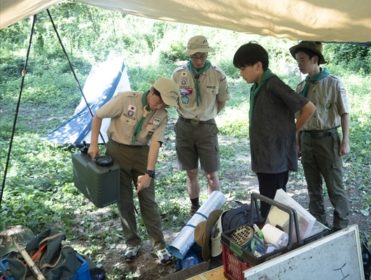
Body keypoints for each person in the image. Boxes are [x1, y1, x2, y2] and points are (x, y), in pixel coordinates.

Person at [87, 78, 179, 260]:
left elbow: (155, 144)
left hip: (142, 155)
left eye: (165, 105)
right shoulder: (125, 100)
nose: (160, 106)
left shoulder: (162, 114)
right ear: (152, 91)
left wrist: (149, 173)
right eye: (159, 101)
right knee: (124, 200)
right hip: (117, 151)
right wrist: (94, 144)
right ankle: (132, 243)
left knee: (148, 200)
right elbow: (98, 115)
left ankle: (159, 246)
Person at [232, 42, 316, 218]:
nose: (240, 73)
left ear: (258, 66)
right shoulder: (256, 87)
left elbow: (308, 107)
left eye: (243, 68)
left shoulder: (272, 83)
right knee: (267, 205)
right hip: (264, 158)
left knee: (275, 207)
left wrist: (292, 132)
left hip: (276, 160)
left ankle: (279, 240)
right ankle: (273, 238)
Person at [290, 41, 350, 230]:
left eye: (302, 60)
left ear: (314, 59)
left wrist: (345, 141)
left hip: (327, 139)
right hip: (307, 140)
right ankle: (319, 225)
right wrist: (297, 143)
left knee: (335, 186)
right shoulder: (301, 88)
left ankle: (341, 227)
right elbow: (298, 118)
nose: (299, 64)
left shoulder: (333, 83)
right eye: (297, 60)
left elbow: (344, 113)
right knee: (313, 187)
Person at [172, 35, 230, 215]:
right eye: (195, 56)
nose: (198, 60)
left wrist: (207, 115)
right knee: (191, 172)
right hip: (184, 127)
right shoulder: (178, 74)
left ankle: (214, 212)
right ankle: (195, 207)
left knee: (211, 174)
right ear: (189, 55)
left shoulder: (217, 75)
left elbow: (221, 101)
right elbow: (173, 99)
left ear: (207, 55)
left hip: (206, 128)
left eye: (202, 56)